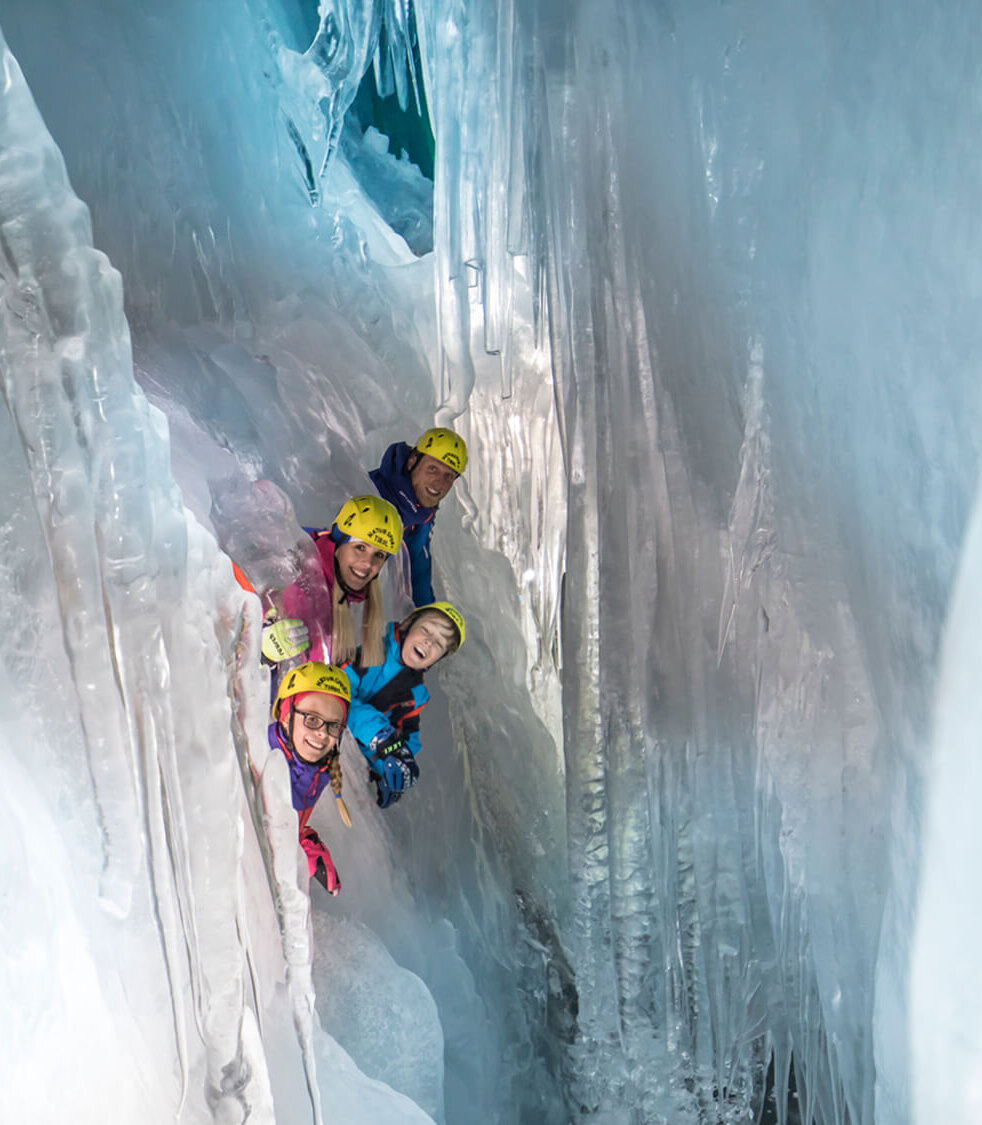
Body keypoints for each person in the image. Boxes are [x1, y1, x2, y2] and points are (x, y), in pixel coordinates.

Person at [342, 602, 465, 809]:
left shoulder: (416, 696)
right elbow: (339, 695)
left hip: (349, 760)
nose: (428, 642)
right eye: (426, 630)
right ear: (408, 626)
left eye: (438, 644)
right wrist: (380, 737)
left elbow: (407, 742)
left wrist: (387, 771)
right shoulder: (372, 649)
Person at [268, 494, 404, 671]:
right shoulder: (295, 573)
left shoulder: (345, 597)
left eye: (379, 555)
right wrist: (264, 655)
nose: (368, 563)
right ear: (339, 542)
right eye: (360, 547)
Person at [269, 661, 352, 896]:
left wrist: (304, 842)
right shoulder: (263, 756)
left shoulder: (317, 771)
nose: (322, 733)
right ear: (286, 716)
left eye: (333, 725)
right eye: (312, 720)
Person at [369, 427, 467, 607]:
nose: (439, 482)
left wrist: (425, 617)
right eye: (432, 468)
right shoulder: (372, 497)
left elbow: (418, 567)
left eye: (449, 476)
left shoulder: (421, 514)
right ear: (412, 462)